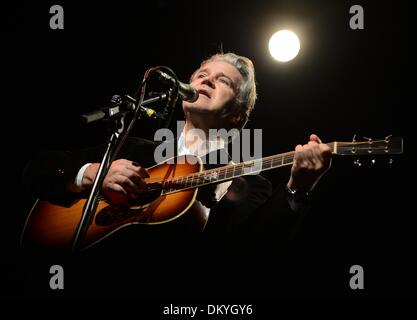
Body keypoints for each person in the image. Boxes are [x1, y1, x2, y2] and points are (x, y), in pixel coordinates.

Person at [22, 52, 332, 298]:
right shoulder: (133, 148)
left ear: (236, 114)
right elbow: (37, 168)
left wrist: (297, 188)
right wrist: (92, 174)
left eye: (222, 80)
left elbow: (254, 256)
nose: (206, 81)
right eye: (201, 75)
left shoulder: (248, 182)